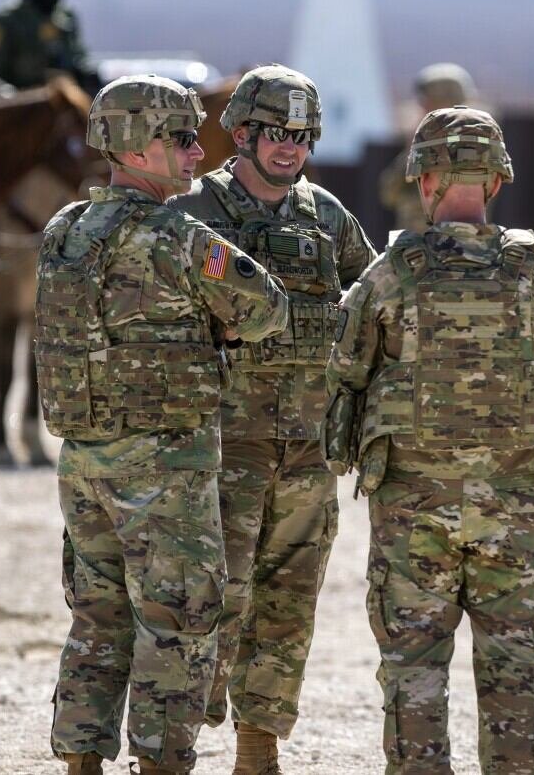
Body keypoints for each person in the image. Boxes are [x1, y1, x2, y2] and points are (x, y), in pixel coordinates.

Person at [35, 74, 289, 775]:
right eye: (180, 139)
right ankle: (161, 763)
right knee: (178, 623)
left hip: (84, 463)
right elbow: (266, 309)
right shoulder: (177, 236)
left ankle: (81, 760)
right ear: (137, 149)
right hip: (165, 468)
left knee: (97, 619)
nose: (195, 154)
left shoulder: (63, 231)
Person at [324, 106, 534, 774]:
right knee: (516, 669)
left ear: (424, 178)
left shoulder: (390, 273)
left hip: (413, 507)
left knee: (413, 670)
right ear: (496, 180)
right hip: (513, 505)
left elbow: (347, 370)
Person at [166, 64, 376, 773]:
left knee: (288, 606)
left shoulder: (327, 216)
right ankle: (172, 742)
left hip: (309, 451)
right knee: (208, 600)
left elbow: (372, 306)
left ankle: (258, 749)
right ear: (244, 133)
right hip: (222, 448)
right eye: (275, 134)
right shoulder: (198, 213)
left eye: (302, 135)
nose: (289, 148)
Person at [380, 63, 481, 233]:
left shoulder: (472, 146)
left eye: (429, 103)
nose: (423, 109)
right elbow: (389, 193)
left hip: (451, 247)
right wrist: (413, 151)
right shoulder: (424, 141)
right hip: (414, 248)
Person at [0, 0, 101, 94]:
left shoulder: (67, 18)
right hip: (20, 104)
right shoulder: (10, 19)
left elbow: (78, 55)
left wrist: (86, 72)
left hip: (61, 104)